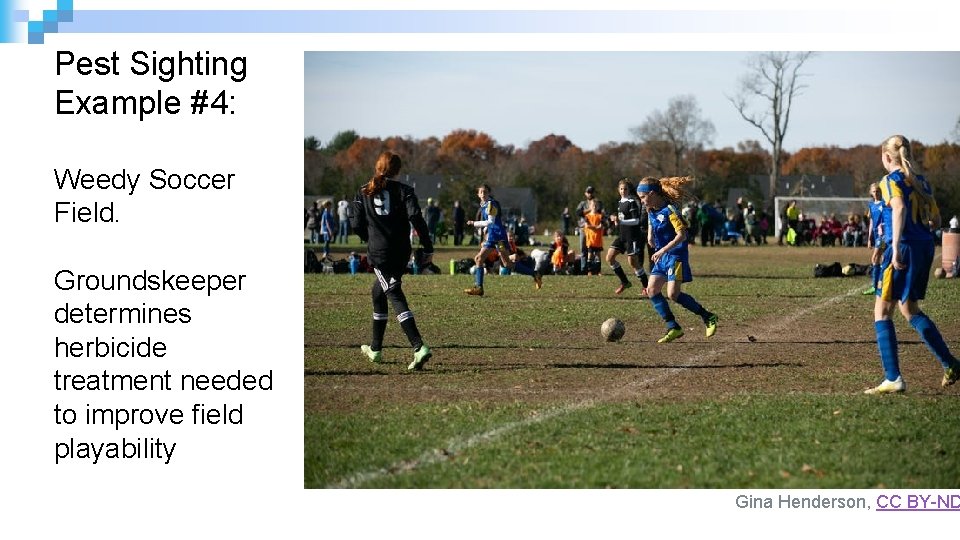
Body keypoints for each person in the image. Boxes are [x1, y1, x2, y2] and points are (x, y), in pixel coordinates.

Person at [864, 135, 960, 394]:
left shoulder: (889, 181)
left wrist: (894, 248)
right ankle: (951, 363)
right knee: (909, 309)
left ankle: (893, 377)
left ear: (886, 157)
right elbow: (937, 217)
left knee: (882, 311)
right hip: (925, 246)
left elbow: (899, 208)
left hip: (904, 246)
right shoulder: (921, 181)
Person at [350, 151, 434, 371]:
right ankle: (375, 349)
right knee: (378, 292)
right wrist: (428, 246)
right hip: (401, 252)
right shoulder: (405, 190)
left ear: (377, 167)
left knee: (394, 293)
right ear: (398, 170)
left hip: (381, 254)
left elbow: (355, 224)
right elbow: (416, 217)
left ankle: (419, 347)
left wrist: (371, 238)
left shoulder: (363, 192)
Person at [636, 176, 719, 343]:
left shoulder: (670, 211)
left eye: (643, 197)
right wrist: (650, 235)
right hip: (662, 256)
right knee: (652, 290)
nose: (642, 202)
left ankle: (708, 316)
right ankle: (673, 326)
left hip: (675, 255)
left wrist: (663, 249)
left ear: (652, 194)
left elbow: (682, 235)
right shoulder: (651, 209)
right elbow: (652, 221)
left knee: (673, 294)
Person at [464, 184, 542, 296]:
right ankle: (534, 274)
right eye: (481, 192)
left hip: (498, 237)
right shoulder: (484, 205)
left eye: (485, 192)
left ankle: (479, 287)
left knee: (490, 260)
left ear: (489, 193)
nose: (483, 194)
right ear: (478, 194)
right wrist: (486, 231)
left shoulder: (491, 204)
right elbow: (491, 223)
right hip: (493, 237)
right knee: (501, 263)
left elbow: (491, 221)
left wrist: (474, 223)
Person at [606, 178, 649, 294]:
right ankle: (625, 282)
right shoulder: (620, 202)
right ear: (618, 190)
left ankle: (647, 287)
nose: (623, 190)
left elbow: (636, 220)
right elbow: (622, 218)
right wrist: (614, 219)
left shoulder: (632, 202)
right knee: (609, 258)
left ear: (629, 190)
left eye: (625, 188)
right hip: (622, 236)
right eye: (621, 188)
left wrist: (621, 222)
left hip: (632, 237)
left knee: (633, 263)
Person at [863, 182, 885, 295]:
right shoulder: (871, 205)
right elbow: (871, 221)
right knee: (881, 259)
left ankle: (876, 286)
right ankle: (880, 285)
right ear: (871, 193)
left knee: (875, 257)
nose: (876, 193)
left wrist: (884, 226)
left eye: (878, 191)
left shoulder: (885, 203)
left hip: (884, 235)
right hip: (876, 236)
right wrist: (869, 237)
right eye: (874, 191)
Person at [576, 186, 604, 273]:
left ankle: (595, 269)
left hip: (595, 232)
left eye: (591, 192)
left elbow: (601, 214)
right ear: (585, 193)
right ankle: (584, 269)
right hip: (583, 229)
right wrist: (589, 209)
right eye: (588, 192)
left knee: (596, 251)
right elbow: (578, 213)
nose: (590, 194)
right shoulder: (583, 203)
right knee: (584, 250)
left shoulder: (598, 202)